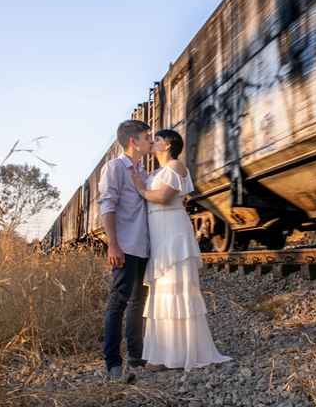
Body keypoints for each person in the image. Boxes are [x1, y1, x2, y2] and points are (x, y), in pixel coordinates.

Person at [130, 129, 231, 371]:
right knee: (162, 289)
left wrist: (140, 188)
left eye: (158, 140)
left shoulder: (176, 166)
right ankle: (164, 353)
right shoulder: (157, 171)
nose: (153, 142)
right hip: (160, 232)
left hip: (172, 232)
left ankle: (178, 355)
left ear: (168, 145)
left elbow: (163, 197)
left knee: (175, 287)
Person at [98, 120, 153, 382]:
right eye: (147, 137)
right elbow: (107, 206)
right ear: (134, 142)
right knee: (117, 303)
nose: (150, 141)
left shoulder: (142, 171)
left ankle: (136, 356)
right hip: (125, 246)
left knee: (137, 303)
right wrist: (113, 243)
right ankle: (112, 364)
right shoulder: (115, 168)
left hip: (142, 247)